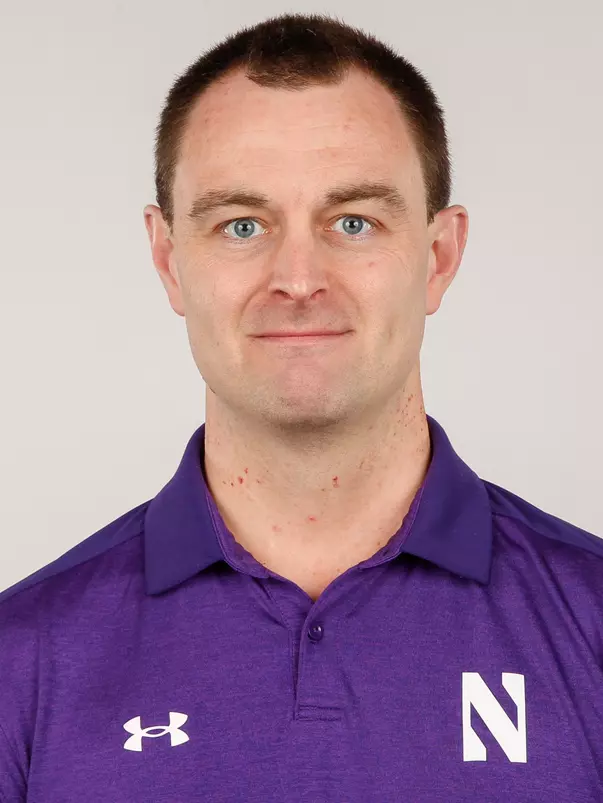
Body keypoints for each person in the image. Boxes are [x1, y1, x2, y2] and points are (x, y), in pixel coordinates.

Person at [1, 11, 601, 802]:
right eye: (241, 224)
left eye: (353, 222)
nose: (297, 278)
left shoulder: (589, 621)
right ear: (168, 259)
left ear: (437, 256)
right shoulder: (20, 658)